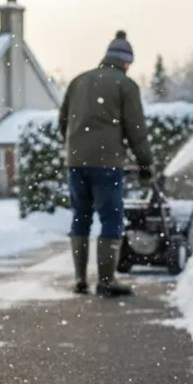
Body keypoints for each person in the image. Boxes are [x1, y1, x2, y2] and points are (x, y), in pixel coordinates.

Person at [58, 30, 154, 297]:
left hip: (75, 162)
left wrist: (76, 146)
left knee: (81, 216)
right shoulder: (125, 85)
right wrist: (145, 164)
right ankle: (106, 280)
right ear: (126, 62)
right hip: (106, 163)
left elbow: (63, 121)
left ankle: (79, 279)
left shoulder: (79, 81)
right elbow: (136, 129)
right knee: (111, 218)